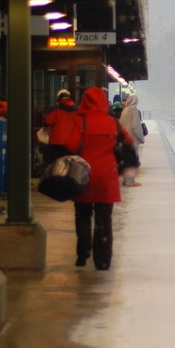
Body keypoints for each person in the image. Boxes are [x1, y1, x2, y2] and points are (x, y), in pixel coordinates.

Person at [62, 87, 135, 271]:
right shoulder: (112, 122)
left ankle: (83, 253)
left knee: (83, 216)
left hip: (83, 176)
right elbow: (129, 142)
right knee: (104, 220)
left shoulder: (81, 120)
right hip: (106, 178)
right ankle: (102, 260)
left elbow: (70, 144)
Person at [42, 89, 78, 169]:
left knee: (55, 163)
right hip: (71, 142)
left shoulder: (56, 112)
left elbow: (48, 122)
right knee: (69, 164)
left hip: (56, 142)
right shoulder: (76, 113)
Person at [119, 94, 145, 187]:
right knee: (133, 160)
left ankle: (127, 179)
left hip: (125, 137)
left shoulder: (124, 110)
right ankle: (130, 180)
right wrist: (141, 138)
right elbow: (136, 126)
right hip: (132, 138)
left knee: (127, 159)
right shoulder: (133, 110)